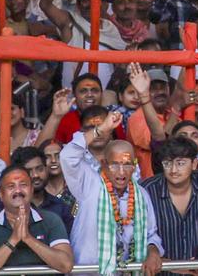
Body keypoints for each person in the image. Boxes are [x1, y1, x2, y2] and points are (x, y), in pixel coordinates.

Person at [60, 110, 164, 276]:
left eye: (127, 164)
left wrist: (153, 252)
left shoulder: (142, 194)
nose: (121, 172)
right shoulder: (90, 184)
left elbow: (151, 235)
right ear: (104, 164)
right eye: (114, 165)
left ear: (135, 165)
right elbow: (67, 156)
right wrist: (101, 129)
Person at [140, 137, 198, 264]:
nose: (173, 170)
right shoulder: (148, 189)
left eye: (180, 163)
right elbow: (140, 234)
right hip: (161, 271)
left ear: (194, 164)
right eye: (167, 163)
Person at [0, 165, 73, 276]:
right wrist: (13, 240)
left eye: (23, 185)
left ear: (31, 190)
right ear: (1, 195)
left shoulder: (51, 220)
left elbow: (66, 265)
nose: (18, 190)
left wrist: (28, 238)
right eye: (11, 186)